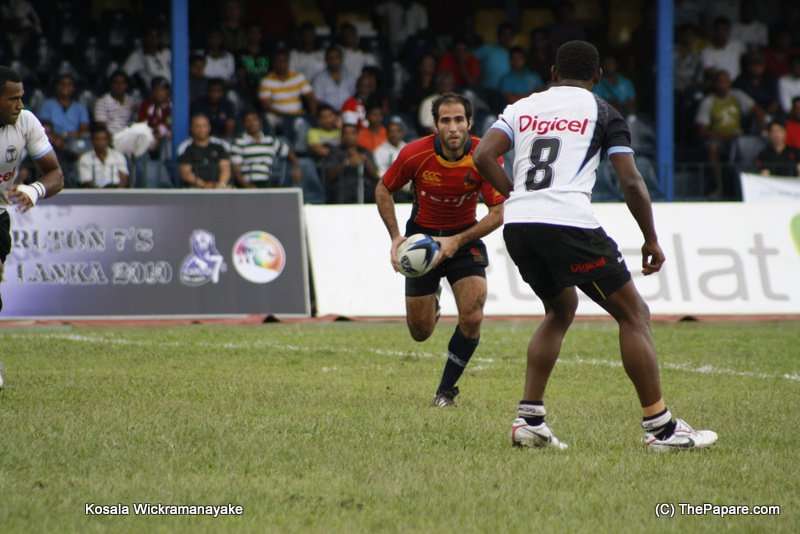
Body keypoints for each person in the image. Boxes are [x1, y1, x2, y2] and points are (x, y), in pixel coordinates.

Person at [473, 40, 718, 451]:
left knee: (560, 309)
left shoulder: (520, 108)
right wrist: (651, 238)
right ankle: (661, 429)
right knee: (634, 314)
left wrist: (513, 193)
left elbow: (482, 156)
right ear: (598, 76)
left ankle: (530, 419)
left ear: (551, 72)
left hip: (519, 225)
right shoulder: (603, 112)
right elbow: (631, 181)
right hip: (568, 223)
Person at [375, 92, 506, 406]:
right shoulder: (414, 154)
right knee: (420, 333)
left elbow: (499, 212)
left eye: (459, 119)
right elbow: (383, 188)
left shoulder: (484, 154)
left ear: (469, 122)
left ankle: (445, 391)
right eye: (445, 120)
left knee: (472, 317)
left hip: (464, 240)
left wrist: (457, 242)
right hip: (422, 243)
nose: (453, 127)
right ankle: (431, 299)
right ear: (435, 125)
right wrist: (395, 237)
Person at [0, 66, 65, 386]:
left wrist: (33, 189)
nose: (19, 104)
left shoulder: (26, 121)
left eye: (21, 97)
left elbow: (55, 174)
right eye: (12, 98)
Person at [231, 110, 300, 188]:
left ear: (260, 122)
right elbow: (236, 171)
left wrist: (296, 168)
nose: (252, 123)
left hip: (267, 182)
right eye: (248, 121)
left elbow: (290, 154)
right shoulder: (239, 143)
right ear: (244, 124)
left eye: (254, 119)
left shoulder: (270, 141)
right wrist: (248, 186)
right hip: (248, 183)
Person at [178, 114, 231, 188]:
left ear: (209, 127)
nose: (201, 129)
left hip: (220, 187)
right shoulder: (186, 149)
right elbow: (185, 173)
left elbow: (225, 169)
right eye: (197, 126)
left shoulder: (219, 147)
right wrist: (204, 185)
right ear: (192, 128)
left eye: (204, 125)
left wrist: (220, 185)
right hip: (195, 189)